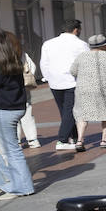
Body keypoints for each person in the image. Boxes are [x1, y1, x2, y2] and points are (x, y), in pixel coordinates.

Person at [0, 29, 36, 198]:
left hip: (3, 110)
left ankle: (22, 186)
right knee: (11, 149)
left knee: (11, 150)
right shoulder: (14, 62)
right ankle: (4, 181)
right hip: (15, 108)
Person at [39, 18, 89, 151]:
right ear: (76, 30)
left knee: (65, 111)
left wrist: (49, 78)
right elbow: (85, 64)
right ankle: (62, 140)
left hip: (55, 82)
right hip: (73, 81)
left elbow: (44, 63)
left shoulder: (48, 44)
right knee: (71, 111)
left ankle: (72, 136)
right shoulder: (81, 44)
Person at [70, 33, 106, 148]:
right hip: (103, 88)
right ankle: (104, 140)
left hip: (83, 89)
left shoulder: (81, 56)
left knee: (82, 114)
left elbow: (73, 71)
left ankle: (79, 141)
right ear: (104, 46)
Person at [17, 49, 39, 148]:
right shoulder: (22, 54)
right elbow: (32, 67)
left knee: (12, 116)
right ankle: (33, 139)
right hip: (23, 88)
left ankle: (16, 140)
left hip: (7, 90)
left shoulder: (1, 55)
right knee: (27, 113)